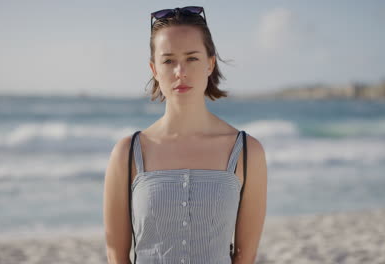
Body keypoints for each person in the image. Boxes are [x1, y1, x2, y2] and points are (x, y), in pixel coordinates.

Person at [104, 6, 267, 264]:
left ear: (210, 63)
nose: (181, 71)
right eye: (168, 60)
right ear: (154, 69)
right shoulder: (127, 153)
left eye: (192, 58)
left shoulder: (247, 152)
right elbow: (116, 253)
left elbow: (245, 255)